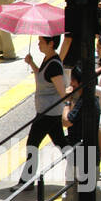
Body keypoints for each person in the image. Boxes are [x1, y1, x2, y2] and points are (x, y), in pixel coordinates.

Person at [20, 35, 70, 184]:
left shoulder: (54, 65)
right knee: (61, 142)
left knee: (32, 144)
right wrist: (32, 63)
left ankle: (25, 181)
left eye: (41, 41)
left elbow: (62, 92)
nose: (38, 44)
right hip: (47, 111)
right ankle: (82, 166)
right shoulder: (47, 60)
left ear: (51, 43)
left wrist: (70, 94)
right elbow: (43, 78)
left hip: (48, 113)